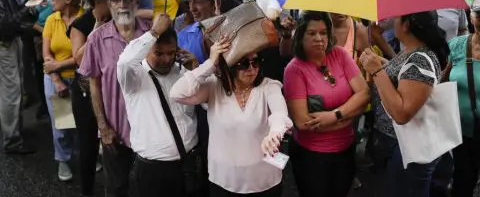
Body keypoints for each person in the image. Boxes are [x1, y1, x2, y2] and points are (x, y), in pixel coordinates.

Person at [171, 35, 293, 196]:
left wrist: (274, 133)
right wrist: (210, 63)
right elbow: (177, 94)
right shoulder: (214, 86)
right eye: (244, 63)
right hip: (224, 180)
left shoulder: (268, 86)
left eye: (256, 62)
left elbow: (279, 113)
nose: (252, 69)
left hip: (264, 179)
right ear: (230, 65)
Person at [360, 11, 449, 197]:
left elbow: (401, 113)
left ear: (407, 25)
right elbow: (402, 77)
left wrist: (377, 71)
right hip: (397, 143)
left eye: (397, 18)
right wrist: (384, 65)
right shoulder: (411, 50)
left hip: (408, 148)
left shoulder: (420, 60)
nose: (393, 22)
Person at [283, 11, 370, 197]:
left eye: (323, 32)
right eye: (312, 33)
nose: (319, 38)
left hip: (346, 150)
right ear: (300, 36)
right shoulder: (294, 69)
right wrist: (351, 112)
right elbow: (303, 122)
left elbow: (364, 93)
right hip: (312, 157)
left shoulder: (339, 55)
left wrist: (335, 115)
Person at [79, 0, 151, 197]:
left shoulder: (151, 34)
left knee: (148, 187)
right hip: (115, 129)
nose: (122, 4)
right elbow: (94, 84)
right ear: (108, 4)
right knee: (117, 188)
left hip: (149, 129)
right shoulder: (96, 39)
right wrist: (103, 127)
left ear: (137, 1)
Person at [117, 13, 200, 196]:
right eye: (159, 53)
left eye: (171, 53)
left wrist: (197, 70)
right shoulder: (134, 77)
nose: (166, 59)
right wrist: (154, 32)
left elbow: (207, 104)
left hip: (188, 166)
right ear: (147, 49)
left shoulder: (183, 72)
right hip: (152, 173)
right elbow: (124, 62)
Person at [69, 0, 111, 197]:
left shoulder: (118, 18)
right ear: (96, 0)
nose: (115, 3)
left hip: (111, 90)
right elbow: (78, 59)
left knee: (114, 144)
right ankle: (87, 192)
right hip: (85, 91)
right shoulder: (80, 24)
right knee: (88, 147)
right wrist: (97, 29)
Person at [42, 0, 84, 181]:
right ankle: (63, 160)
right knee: (62, 125)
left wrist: (59, 64)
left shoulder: (84, 18)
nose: (52, 0)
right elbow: (46, 55)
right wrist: (57, 79)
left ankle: (84, 156)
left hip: (80, 77)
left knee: (82, 122)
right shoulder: (52, 19)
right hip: (54, 77)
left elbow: (83, 56)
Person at [0, 0, 36, 155]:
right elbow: (4, 26)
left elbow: (13, 10)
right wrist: (28, 8)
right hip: (5, 43)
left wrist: (24, 0)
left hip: (11, 41)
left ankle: (15, 131)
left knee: (13, 90)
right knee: (10, 93)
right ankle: (12, 141)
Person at [446, 0, 480, 197]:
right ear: (471, 16)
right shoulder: (457, 45)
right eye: (479, 14)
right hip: (462, 132)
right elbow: (442, 80)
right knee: (462, 182)